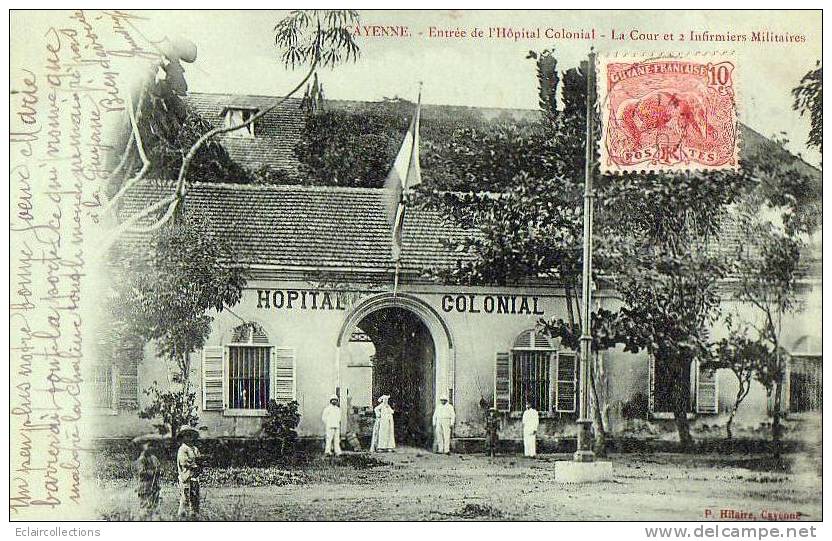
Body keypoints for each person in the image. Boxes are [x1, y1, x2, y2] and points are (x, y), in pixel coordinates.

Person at [133, 434, 162, 520]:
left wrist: (160, 471)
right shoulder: (141, 459)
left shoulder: (153, 458)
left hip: (154, 486)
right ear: (142, 446)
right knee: (145, 508)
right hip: (145, 487)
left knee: (154, 506)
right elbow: (141, 472)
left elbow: (159, 468)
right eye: (149, 446)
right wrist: (153, 472)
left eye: (152, 446)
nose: (151, 448)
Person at [177, 427, 202, 519]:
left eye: (190, 435)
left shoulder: (194, 449)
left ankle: (194, 516)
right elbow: (184, 462)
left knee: (195, 498)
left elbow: (199, 459)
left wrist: (200, 463)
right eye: (186, 436)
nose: (189, 438)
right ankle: (182, 517)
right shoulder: (183, 449)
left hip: (195, 476)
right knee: (185, 498)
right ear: (183, 437)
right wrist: (195, 464)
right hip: (186, 476)